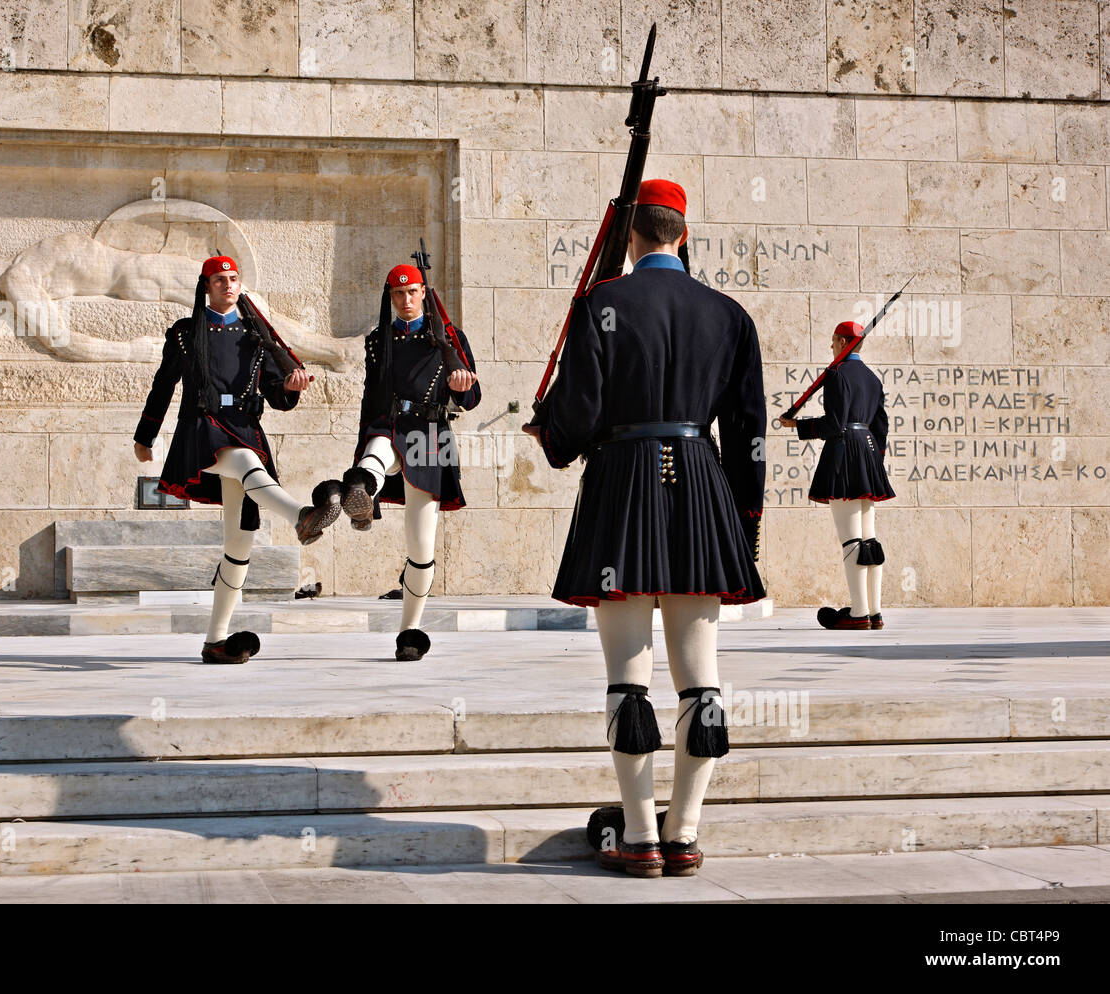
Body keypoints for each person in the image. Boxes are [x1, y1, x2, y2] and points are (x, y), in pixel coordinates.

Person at [525, 179, 766, 878]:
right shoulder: (729, 316)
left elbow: (576, 418)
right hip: (699, 487)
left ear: (630, 238)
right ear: (683, 234)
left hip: (623, 486)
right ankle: (685, 832)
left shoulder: (601, 304)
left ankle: (637, 836)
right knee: (703, 685)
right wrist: (743, 524)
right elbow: (749, 433)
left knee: (627, 679)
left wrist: (552, 432)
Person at [134, 255, 343, 664]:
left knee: (239, 545)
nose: (228, 285)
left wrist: (292, 385)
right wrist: (146, 436)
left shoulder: (257, 336)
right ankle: (301, 515)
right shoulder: (184, 334)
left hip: (246, 427)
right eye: (219, 280)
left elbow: (279, 398)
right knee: (247, 464)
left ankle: (215, 640)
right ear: (206, 286)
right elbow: (163, 385)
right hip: (202, 429)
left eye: (233, 279)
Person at [339, 264, 481, 661]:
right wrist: (361, 442)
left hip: (430, 433)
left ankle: (410, 630)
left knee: (420, 545)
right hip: (389, 424)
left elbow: (473, 398)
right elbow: (371, 399)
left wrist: (461, 386)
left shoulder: (450, 337)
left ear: (423, 293)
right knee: (377, 452)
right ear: (390, 296)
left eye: (412, 292)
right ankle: (360, 486)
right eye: (398, 294)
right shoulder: (377, 341)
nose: (405, 301)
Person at [779, 321, 893, 630]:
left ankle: (858, 613)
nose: (831, 348)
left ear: (843, 341)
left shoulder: (837, 375)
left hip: (844, 453)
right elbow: (881, 427)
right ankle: (874, 611)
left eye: (833, 342)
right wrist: (874, 460)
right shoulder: (872, 379)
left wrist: (798, 427)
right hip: (869, 452)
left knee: (852, 540)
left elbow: (834, 424)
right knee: (869, 538)